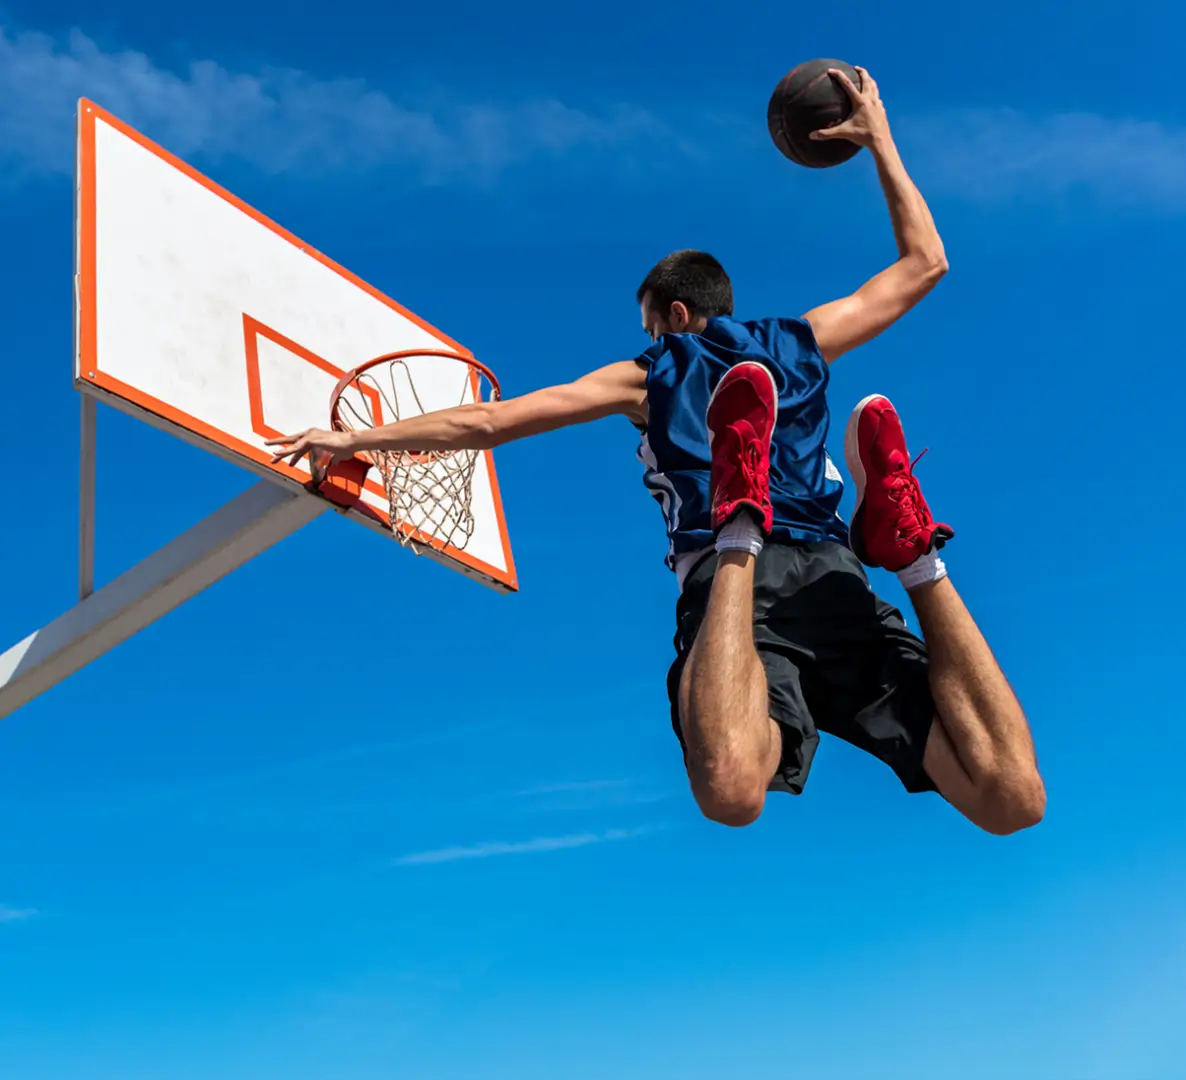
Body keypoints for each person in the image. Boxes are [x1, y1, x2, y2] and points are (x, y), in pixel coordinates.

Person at [269, 67, 1045, 834]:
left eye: (650, 325)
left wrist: (357, 436)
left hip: (738, 587)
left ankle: (736, 512)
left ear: (674, 314)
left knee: (731, 792)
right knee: (1011, 801)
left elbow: (486, 424)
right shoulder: (802, 340)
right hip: (836, 572)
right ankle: (913, 557)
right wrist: (880, 140)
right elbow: (924, 265)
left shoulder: (649, 375)